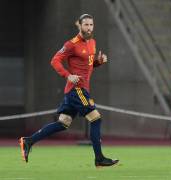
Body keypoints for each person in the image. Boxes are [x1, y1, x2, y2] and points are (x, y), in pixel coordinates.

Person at [19, 14, 119, 167]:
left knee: (63, 123)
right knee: (96, 118)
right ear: (79, 25)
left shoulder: (92, 43)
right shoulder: (72, 44)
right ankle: (99, 158)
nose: (89, 28)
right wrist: (68, 75)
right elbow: (55, 60)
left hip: (77, 90)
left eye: (91, 25)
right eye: (86, 25)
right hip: (77, 89)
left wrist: (99, 62)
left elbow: (88, 66)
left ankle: (28, 141)